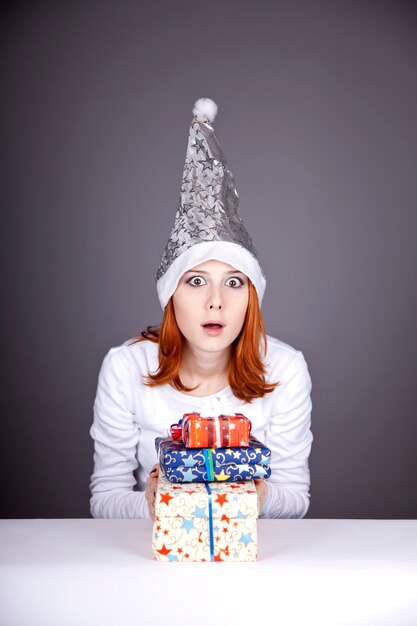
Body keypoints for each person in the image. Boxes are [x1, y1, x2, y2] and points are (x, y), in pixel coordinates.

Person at [89, 98, 313, 520]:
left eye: (233, 282)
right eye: (196, 282)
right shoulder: (126, 367)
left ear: (252, 297)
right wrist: (154, 500)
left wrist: (258, 494)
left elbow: (295, 500)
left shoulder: (284, 369)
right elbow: (105, 499)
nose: (216, 301)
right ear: (171, 295)